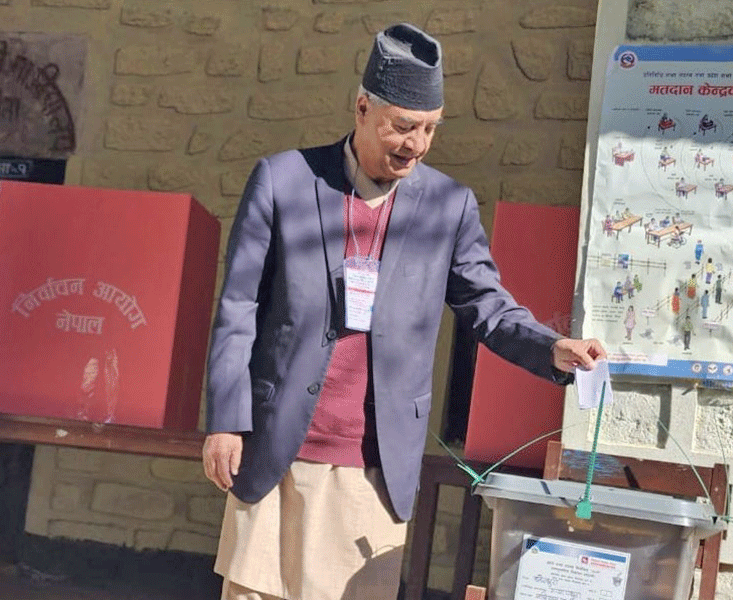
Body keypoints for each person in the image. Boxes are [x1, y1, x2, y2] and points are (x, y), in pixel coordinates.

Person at [202, 23, 606, 600]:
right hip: (275, 448)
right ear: (363, 108)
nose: (415, 144)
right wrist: (225, 418)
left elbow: (484, 304)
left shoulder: (449, 205)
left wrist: (550, 347)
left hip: (373, 461)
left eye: (430, 130)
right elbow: (239, 306)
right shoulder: (283, 180)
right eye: (404, 126)